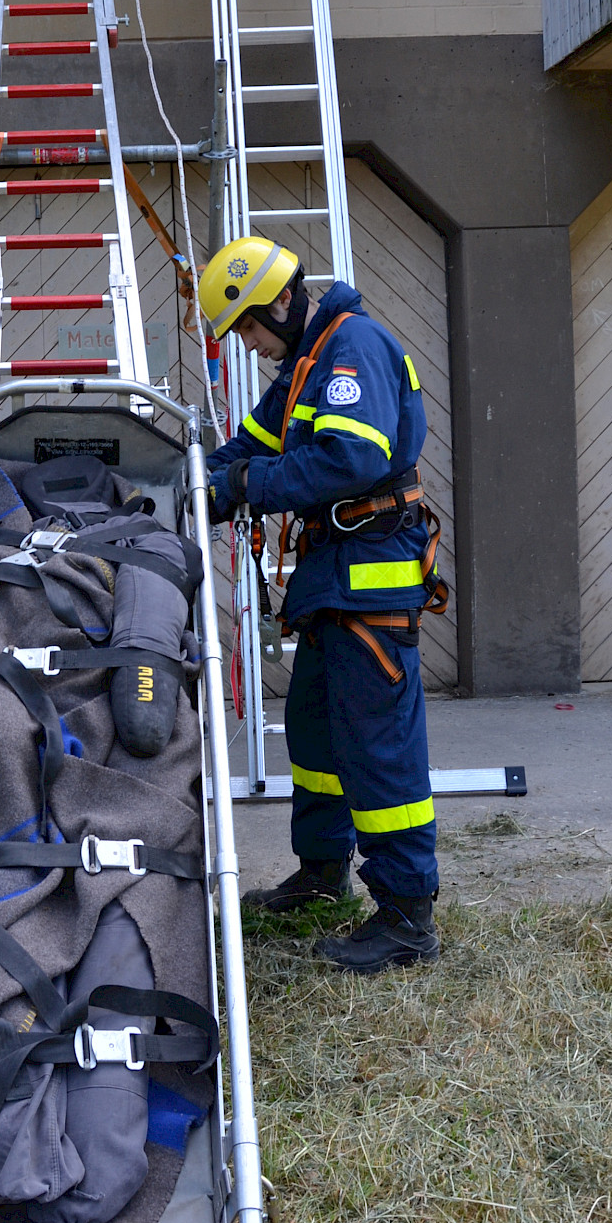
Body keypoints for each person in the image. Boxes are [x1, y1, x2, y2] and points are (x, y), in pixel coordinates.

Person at [199, 236, 447, 973]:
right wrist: (182, 486)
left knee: (377, 749)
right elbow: (246, 450)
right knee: (313, 728)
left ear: (280, 300)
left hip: (368, 580)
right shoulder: (303, 365)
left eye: (247, 325)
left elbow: (352, 459)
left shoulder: (353, 347)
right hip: (333, 582)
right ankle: (322, 872)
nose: (248, 343)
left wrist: (246, 489)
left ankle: (407, 915)